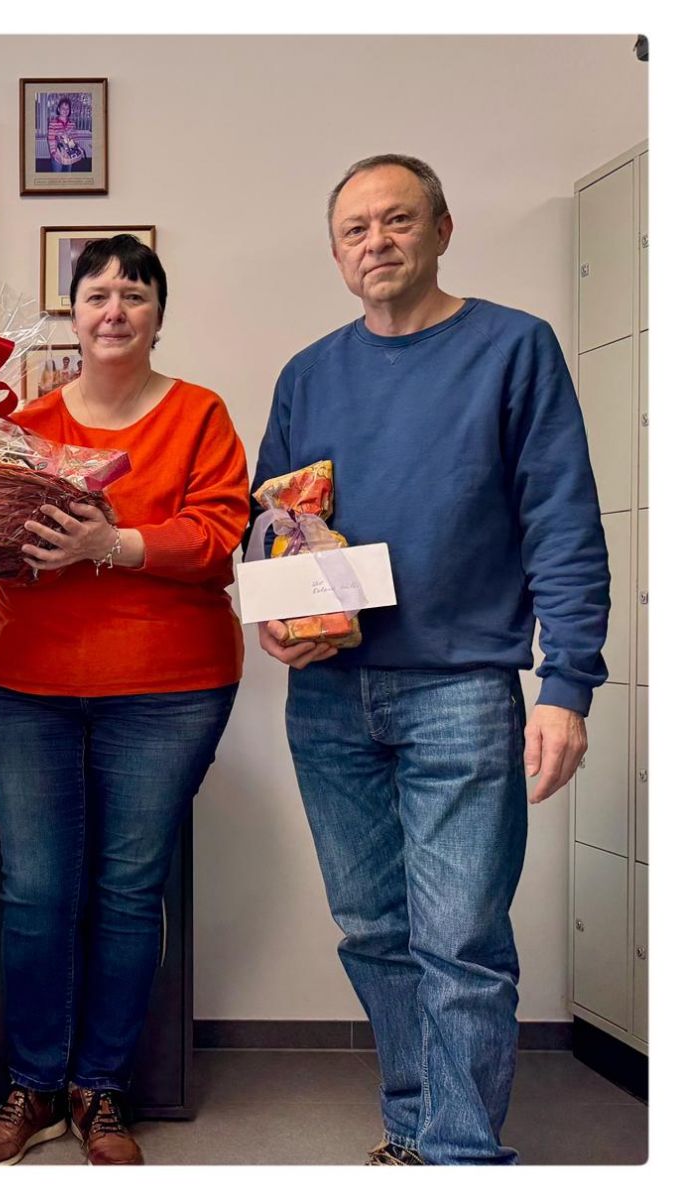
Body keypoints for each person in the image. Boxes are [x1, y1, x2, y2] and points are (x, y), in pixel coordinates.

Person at [0, 234, 241, 1166]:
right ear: (73, 314)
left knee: (127, 893)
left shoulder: (198, 414)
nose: (115, 309)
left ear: (158, 315)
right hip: (32, 688)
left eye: (134, 294)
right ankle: (32, 1085)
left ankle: (100, 1090)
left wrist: (112, 544)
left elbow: (222, 536)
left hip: (170, 690)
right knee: (34, 893)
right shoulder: (21, 427)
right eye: (97, 293)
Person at [252, 154, 607, 1165]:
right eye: (355, 229)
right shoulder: (308, 373)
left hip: (462, 688)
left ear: (442, 230)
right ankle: (413, 1129)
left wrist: (567, 683)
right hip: (328, 694)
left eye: (398, 220)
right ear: (336, 252)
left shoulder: (513, 348)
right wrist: (274, 605)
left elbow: (562, 522)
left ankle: (460, 1157)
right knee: (372, 929)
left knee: (459, 940)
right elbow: (268, 522)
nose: (377, 242)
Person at [47, 96, 85, 172]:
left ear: (70, 110)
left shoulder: (72, 123)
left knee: (68, 172)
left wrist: (78, 148)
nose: (65, 110)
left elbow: (75, 138)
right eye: (63, 108)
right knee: (58, 172)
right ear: (58, 109)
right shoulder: (53, 123)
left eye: (67, 108)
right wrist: (53, 152)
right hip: (57, 152)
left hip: (69, 153)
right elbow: (51, 139)